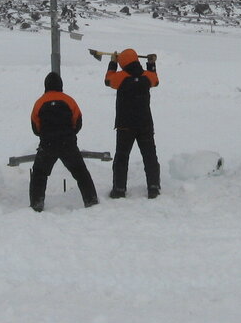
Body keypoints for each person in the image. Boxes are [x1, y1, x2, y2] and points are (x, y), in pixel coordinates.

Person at [29, 72, 99, 212]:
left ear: (46, 86)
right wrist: (69, 134)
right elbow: (78, 122)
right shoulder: (69, 100)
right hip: (68, 144)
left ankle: (37, 204)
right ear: (61, 85)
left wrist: (46, 135)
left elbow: (35, 127)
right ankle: (91, 200)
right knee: (81, 173)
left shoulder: (39, 102)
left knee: (39, 174)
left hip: (47, 145)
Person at [105, 48, 160, 199]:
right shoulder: (146, 76)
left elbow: (108, 80)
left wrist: (112, 63)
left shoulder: (120, 77)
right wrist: (151, 64)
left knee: (122, 157)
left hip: (125, 125)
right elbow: (155, 80)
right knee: (150, 156)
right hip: (145, 123)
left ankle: (119, 189)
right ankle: (153, 187)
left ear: (123, 63)